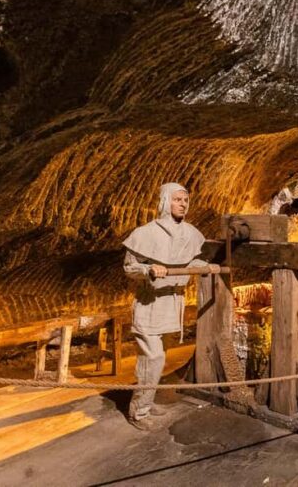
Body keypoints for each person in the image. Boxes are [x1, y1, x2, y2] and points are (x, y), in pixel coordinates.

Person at [122, 182, 217, 430]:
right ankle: (138, 413)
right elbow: (130, 267)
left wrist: (203, 265)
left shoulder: (191, 233)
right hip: (149, 303)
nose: (183, 204)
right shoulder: (145, 233)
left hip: (172, 304)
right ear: (165, 201)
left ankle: (146, 400)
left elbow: (194, 257)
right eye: (177, 200)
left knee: (158, 360)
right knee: (152, 359)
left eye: (185, 200)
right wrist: (149, 269)